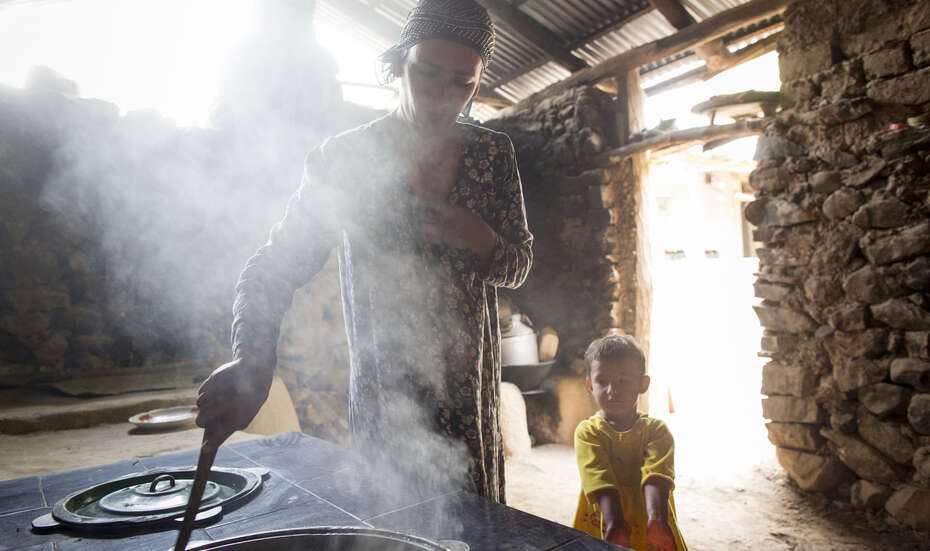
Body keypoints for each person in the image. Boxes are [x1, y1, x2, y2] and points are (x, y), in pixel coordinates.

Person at [195, 0, 532, 504]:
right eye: (429, 72)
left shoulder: (492, 156)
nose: (444, 95)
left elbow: (519, 264)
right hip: (385, 403)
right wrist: (253, 359)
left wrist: (478, 237)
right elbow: (275, 264)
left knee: (472, 529)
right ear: (396, 65)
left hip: (470, 406)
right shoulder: (345, 161)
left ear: (479, 83)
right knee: (392, 525)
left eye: (463, 81)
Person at [573, 335, 687, 551]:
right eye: (602, 381)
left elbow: (656, 476)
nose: (612, 390)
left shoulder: (657, 432)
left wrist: (656, 520)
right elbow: (599, 478)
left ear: (643, 384)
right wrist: (614, 524)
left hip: (652, 521)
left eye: (622, 381)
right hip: (604, 521)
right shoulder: (588, 433)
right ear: (590, 385)